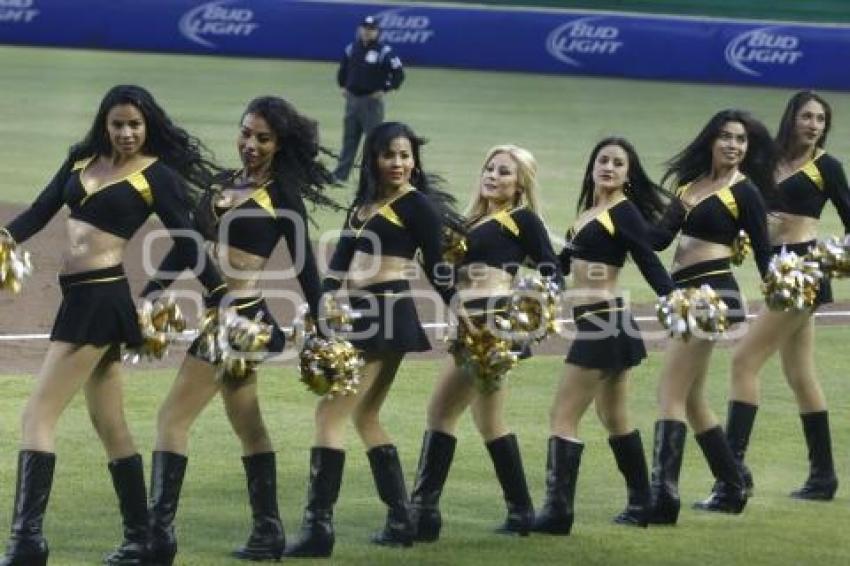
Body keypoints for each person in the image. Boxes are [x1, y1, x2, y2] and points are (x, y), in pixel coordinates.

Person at [0, 84, 226, 566]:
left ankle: (26, 543)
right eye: (119, 124)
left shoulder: (154, 175)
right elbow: (38, 213)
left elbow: (187, 239)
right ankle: (144, 540)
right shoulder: (80, 160)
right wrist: (2, 238)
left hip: (101, 300)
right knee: (110, 424)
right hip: (78, 297)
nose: (127, 133)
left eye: (135, 125)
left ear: (147, 127)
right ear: (105, 124)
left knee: (36, 416)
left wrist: (220, 291)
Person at [141, 96, 339, 564]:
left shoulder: (282, 195)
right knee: (247, 423)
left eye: (263, 138)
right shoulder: (221, 183)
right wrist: (151, 289)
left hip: (242, 320)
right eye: (246, 133)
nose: (251, 144)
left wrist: (326, 329)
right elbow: (188, 244)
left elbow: (307, 271)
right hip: (220, 318)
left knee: (171, 420)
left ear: (279, 144)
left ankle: (158, 539)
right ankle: (268, 533)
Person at [284, 121, 459, 558]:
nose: (398, 163)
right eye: (388, 155)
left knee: (329, 415)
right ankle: (401, 520)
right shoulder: (364, 204)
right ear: (373, 160)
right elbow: (341, 260)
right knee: (365, 415)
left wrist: (459, 306)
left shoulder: (416, 205)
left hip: (386, 314)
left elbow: (437, 265)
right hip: (362, 313)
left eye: (405, 155)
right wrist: (324, 298)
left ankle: (318, 530)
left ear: (414, 160)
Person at [408, 145, 562, 541]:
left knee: (441, 412)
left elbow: (553, 273)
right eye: (489, 169)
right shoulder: (472, 221)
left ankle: (423, 515)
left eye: (504, 172)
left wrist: (530, 315)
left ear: (520, 184)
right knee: (487, 420)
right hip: (468, 325)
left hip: (490, 328)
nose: (493, 176)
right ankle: (521, 512)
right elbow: (444, 274)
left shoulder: (522, 219)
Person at [706, 91, 847, 503]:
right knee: (800, 374)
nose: (814, 125)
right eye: (807, 116)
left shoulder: (827, 167)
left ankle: (732, 475)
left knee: (744, 360)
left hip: (803, 273)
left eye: (821, 119)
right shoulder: (767, 162)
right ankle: (823, 478)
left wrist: (833, 257)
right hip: (777, 272)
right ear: (792, 118)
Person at [532, 137, 676, 535]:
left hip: (603, 324)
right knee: (614, 417)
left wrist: (674, 299)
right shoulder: (588, 215)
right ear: (592, 167)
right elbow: (559, 268)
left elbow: (648, 259)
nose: (609, 167)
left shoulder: (623, 212)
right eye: (603, 160)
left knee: (562, 415)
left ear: (628, 175)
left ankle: (557, 513)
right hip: (610, 325)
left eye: (617, 163)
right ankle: (643, 504)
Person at [646, 109, 776, 524]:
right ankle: (733, 486)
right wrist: (626, 212)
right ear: (711, 141)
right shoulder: (690, 187)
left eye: (741, 139)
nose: (733, 145)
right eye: (726, 137)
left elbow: (764, 252)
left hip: (711, 295)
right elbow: (658, 240)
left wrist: (781, 291)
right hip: (684, 295)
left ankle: (663, 499)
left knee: (669, 392)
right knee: (692, 398)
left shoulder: (745, 192)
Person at [332, 15, 405, 184]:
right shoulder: (352, 48)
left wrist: (385, 89)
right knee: (349, 140)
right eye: (365, 28)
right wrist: (343, 85)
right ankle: (340, 175)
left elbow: (398, 73)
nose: (367, 32)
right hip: (352, 100)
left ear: (377, 32)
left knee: (374, 141)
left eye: (371, 29)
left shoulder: (384, 51)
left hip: (371, 102)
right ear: (360, 29)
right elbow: (343, 69)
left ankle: (374, 177)